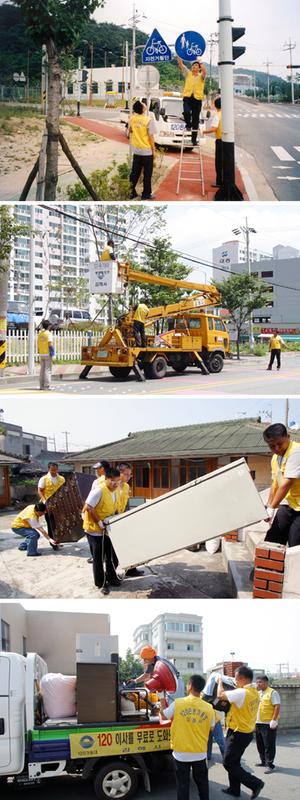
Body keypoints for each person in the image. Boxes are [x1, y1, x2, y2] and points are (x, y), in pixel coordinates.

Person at [160, 674, 215, 800]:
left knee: (183, 785)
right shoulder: (209, 707)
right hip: (200, 752)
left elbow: (164, 716)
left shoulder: (178, 703)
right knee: (202, 784)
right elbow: (211, 728)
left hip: (181, 753)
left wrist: (162, 700)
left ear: (190, 686)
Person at [217, 666, 264, 799]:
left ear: (243, 679)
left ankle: (255, 784)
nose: (235, 681)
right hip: (245, 731)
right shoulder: (254, 691)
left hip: (238, 733)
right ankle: (234, 789)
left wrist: (220, 681)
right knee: (235, 761)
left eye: (236, 679)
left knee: (228, 762)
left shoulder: (242, 692)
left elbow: (220, 695)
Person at [83, 467, 121, 595]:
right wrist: (99, 522)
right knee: (98, 559)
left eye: (118, 481)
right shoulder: (98, 490)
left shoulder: (114, 492)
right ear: (106, 479)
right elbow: (89, 507)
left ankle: (112, 577)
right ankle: (101, 583)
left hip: (107, 530)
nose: (115, 484)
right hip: (95, 531)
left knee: (109, 557)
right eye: (113, 481)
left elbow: (112, 508)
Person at [263, 423, 300, 547]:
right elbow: (275, 484)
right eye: (272, 446)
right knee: (273, 538)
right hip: (289, 503)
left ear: (288, 437)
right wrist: (269, 505)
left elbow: (287, 483)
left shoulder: (296, 452)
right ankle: (268, 566)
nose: (277, 448)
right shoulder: (275, 458)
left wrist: (273, 507)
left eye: (279, 444)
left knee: (295, 543)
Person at [129, 100, 156, 200]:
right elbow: (151, 136)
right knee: (147, 174)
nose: (145, 104)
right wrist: (154, 149)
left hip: (137, 151)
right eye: (143, 104)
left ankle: (131, 192)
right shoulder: (148, 120)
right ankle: (146, 194)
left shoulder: (132, 119)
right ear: (143, 108)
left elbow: (130, 130)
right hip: (147, 151)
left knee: (134, 173)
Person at [177, 57, 206, 145]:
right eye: (193, 65)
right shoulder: (188, 73)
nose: (194, 67)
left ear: (199, 68)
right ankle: (188, 124)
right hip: (187, 97)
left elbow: (204, 72)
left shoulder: (201, 76)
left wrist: (200, 62)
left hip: (197, 99)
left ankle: (193, 140)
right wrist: (179, 56)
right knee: (186, 112)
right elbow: (181, 65)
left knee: (196, 120)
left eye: (196, 65)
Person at [255, 675, 280, 774]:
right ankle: (263, 761)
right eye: (257, 682)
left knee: (269, 745)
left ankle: (270, 765)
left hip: (268, 724)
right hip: (258, 722)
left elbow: (277, 706)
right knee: (260, 744)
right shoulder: (258, 693)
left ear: (266, 682)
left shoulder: (272, 692)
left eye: (260, 682)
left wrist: (274, 720)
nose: (258, 684)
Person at [38, 462, 65, 547]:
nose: (54, 471)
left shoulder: (62, 478)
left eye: (55, 469)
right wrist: (44, 501)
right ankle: (53, 543)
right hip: (48, 506)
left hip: (60, 505)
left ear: (57, 469)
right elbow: (40, 491)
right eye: (52, 469)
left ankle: (59, 540)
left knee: (60, 523)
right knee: (51, 524)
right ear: (49, 469)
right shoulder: (44, 479)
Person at [203, 97, 222, 188]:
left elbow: (214, 128)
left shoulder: (217, 115)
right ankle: (224, 180)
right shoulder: (226, 114)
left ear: (215, 105)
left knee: (219, 162)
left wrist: (203, 131)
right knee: (225, 162)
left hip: (220, 141)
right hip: (227, 142)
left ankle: (219, 181)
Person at [37, 320, 54, 391]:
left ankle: (41, 386)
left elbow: (38, 343)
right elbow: (50, 344)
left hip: (41, 353)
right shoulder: (48, 333)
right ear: (49, 326)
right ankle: (47, 386)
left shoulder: (40, 334)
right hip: (47, 353)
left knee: (42, 370)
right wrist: (52, 353)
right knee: (48, 370)